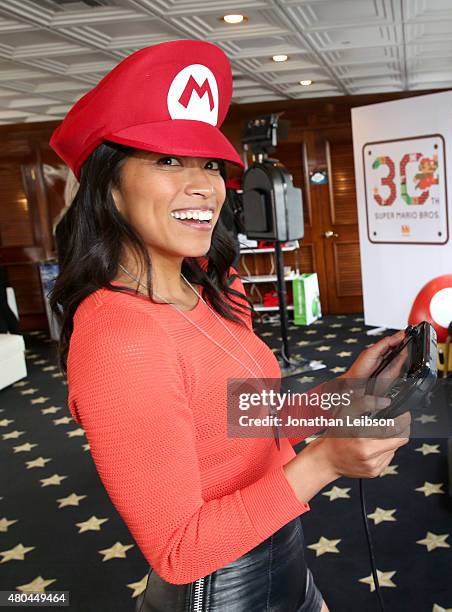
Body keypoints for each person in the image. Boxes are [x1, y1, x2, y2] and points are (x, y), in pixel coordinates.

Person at [48, 40, 410, 612]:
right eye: (168, 160)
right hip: (219, 593)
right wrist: (326, 460)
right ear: (108, 185)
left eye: (210, 164)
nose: (204, 186)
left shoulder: (216, 290)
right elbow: (179, 549)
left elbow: (244, 426)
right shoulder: (119, 335)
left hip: (287, 565)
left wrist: (342, 394)